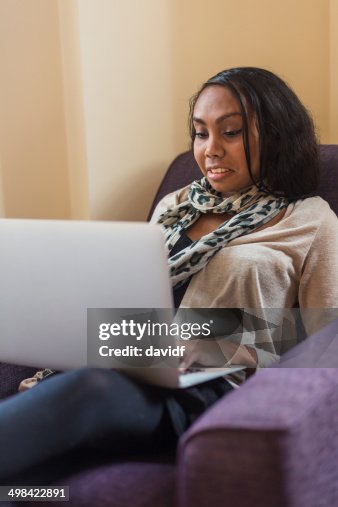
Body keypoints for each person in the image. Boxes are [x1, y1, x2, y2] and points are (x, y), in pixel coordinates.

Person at [0, 66, 337, 485]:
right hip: (135, 363)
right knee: (32, 477)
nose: (210, 149)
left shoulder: (310, 219)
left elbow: (326, 339)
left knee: (90, 389)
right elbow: (139, 300)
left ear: (277, 136)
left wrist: (213, 344)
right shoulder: (177, 205)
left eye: (230, 132)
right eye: (201, 132)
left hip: (212, 391)